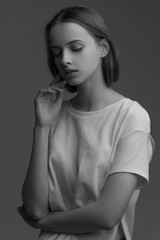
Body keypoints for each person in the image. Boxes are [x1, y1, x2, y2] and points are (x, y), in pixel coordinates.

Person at [17, 5, 155, 240]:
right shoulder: (55, 116)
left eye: (76, 48)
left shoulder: (130, 117)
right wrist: (41, 127)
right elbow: (34, 208)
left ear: (103, 48)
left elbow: (107, 216)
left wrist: (44, 222)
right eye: (57, 52)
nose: (65, 60)